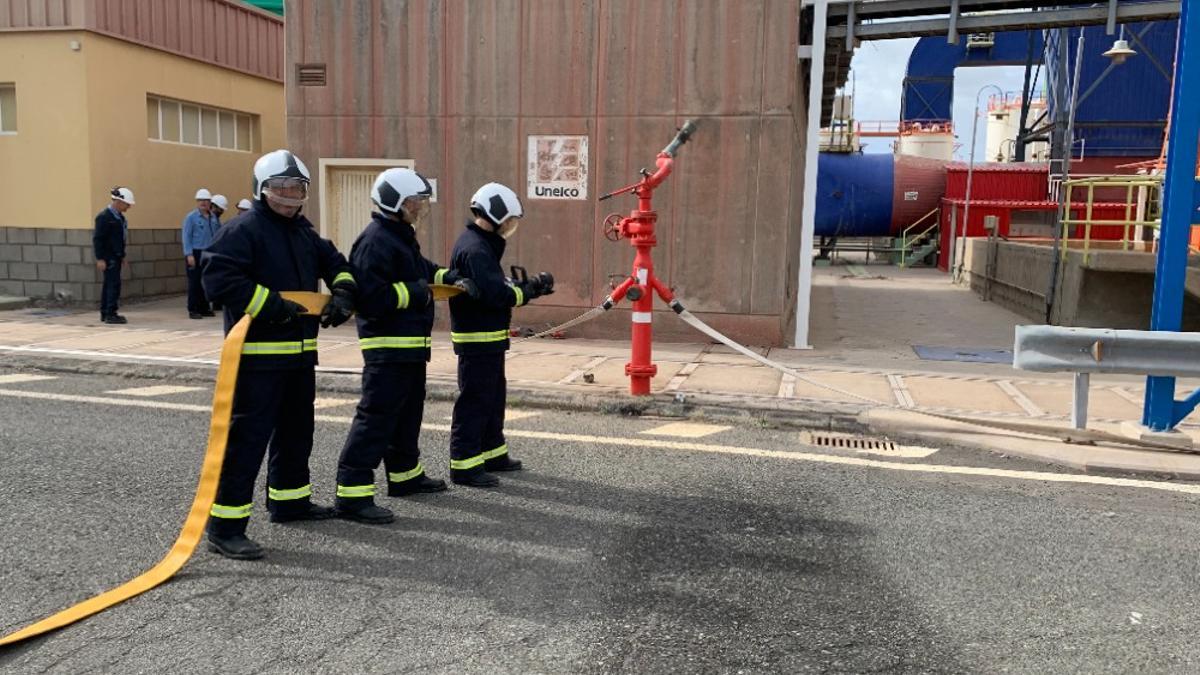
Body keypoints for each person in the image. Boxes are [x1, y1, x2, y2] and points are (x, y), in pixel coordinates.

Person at [200, 149, 358, 560]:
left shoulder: (304, 232)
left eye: (297, 187)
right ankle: (225, 527)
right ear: (261, 190)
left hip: (299, 358)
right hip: (256, 361)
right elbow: (217, 278)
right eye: (280, 188)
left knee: (296, 433)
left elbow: (338, 264)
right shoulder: (244, 230)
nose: (289, 195)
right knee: (246, 443)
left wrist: (342, 293)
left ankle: (289, 502)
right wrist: (268, 303)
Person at [333, 168, 479, 524]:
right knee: (376, 418)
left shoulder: (399, 236)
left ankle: (404, 475)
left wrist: (451, 277)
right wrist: (418, 292)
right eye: (414, 202)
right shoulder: (375, 241)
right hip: (387, 348)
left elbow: (423, 268)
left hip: (410, 347)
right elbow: (371, 298)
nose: (419, 208)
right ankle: (352, 493)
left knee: (407, 413)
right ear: (394, 203)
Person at [447, 183, 554, 488]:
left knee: (493, 398)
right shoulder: (475, 249)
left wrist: (527, 287)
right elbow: (496, 294)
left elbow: (497, 284)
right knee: (475, 401)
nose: (510, 227)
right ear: (495, 215)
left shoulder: (482, 245)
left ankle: (492, 452)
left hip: (489, 338)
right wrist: (529, 291)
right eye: (508, 220)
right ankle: (465, 465)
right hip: (477, 338)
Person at [93, 187, 134, 325]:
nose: (128, 207)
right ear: (118, 201)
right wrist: (100, 258)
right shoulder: (104, 217)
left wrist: (122, 255)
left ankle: (106, 312)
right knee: (113, 285)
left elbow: (120, 239)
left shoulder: (120, 218)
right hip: (108, 256)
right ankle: (110, 313)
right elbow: (98, 239)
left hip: (116, 256)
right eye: (127, 204)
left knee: (110, 284)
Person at [183, 188, 220, 319]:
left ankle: (204, 307)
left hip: (208, 253)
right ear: (197, 202)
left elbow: (217, 234)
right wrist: (189, 254)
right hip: (195, 252)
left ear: (210, 202)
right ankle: (193, 309)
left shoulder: (213, 217)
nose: (203, 203)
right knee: (195, 282)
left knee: (206, 281)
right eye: (200, 200)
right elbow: (186, 236)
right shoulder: (191, 218)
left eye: (206, 200)